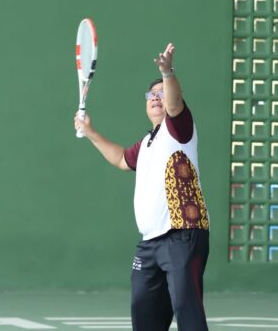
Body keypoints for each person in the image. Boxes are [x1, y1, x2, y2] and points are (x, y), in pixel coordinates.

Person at [74, 42, 210, 331]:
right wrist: (90, 132)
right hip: (150, 244)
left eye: (162, 92)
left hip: (182, 236)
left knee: (187, 312)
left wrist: (167, 72)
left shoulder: (179, 128)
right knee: (143, 313)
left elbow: (174, 104)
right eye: (152, 94)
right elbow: (121, 159)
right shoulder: (148, 143)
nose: (156, 97)